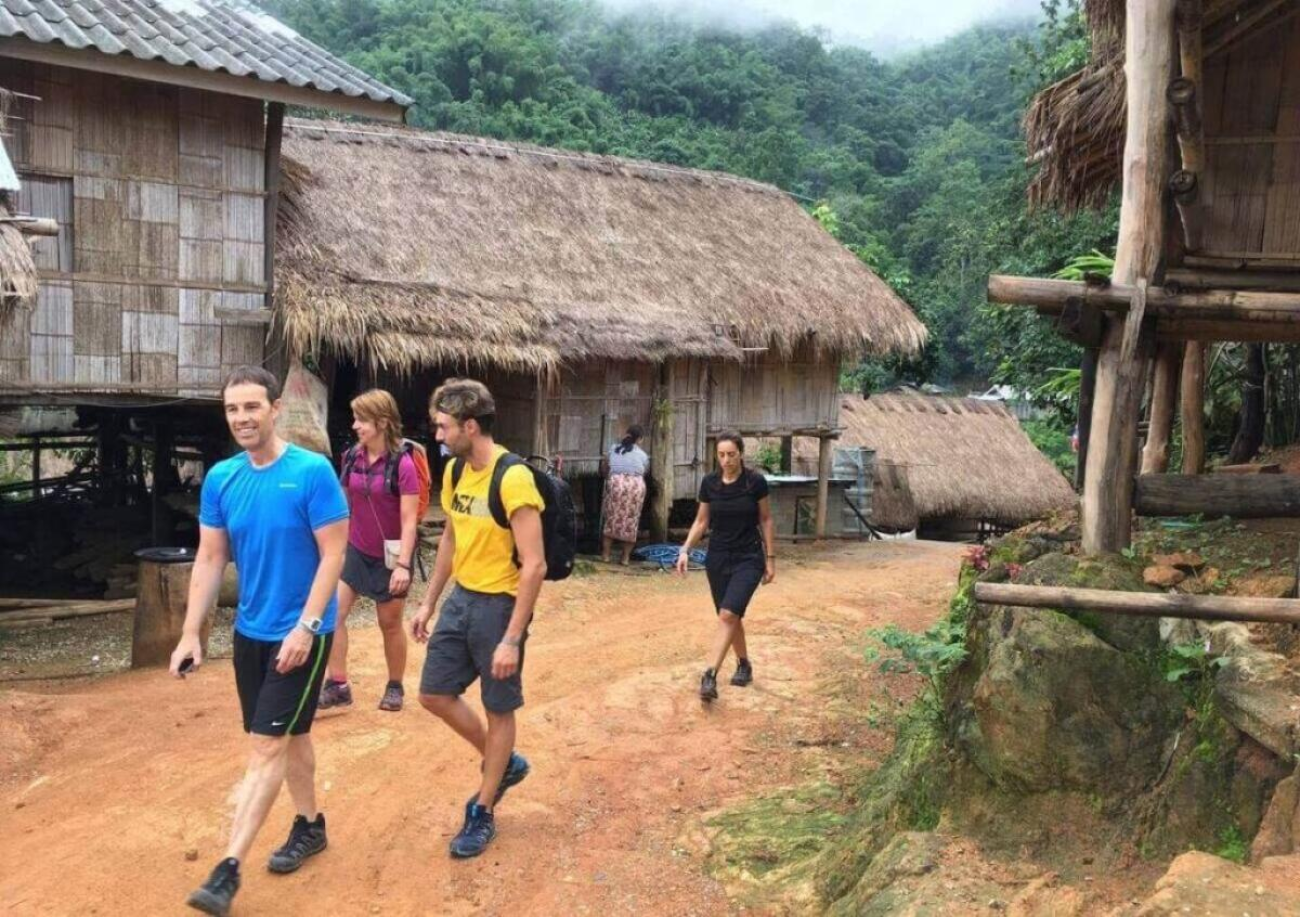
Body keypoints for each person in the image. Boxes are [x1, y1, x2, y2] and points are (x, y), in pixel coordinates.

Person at [170, 366, 349, 916]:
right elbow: (210, 557)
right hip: (250, 632)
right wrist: (190, 633)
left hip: (302, 633)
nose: (242, 418)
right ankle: (310, 825)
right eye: (232, 409)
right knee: (290, 734)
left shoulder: (312, 472)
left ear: (276, 409)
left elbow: (334, 555)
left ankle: (228, 868)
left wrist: (307, 627)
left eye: (252, 406)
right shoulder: (223, 479)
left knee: (267, 745)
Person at [410, 378, 547, 858]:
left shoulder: (513, 478)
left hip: (500, 605)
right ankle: (502, 760)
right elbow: (451, 538)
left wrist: (511, 638)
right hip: (462, 598)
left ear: (470, 426)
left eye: (443, 427)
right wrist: (429, 601)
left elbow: (535, 564)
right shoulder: (454, 472)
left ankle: (483, 809)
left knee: (498, 706)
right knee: (433, 692)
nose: (438, 436)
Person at [319, 389, 421, 713]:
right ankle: (338, 684)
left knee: (389, 623)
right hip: (356, 549)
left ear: (382, 422)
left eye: (361, 420)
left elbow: (409, 520)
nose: (355, 426)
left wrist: (403, 565)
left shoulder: (403, 464)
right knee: (332, 614)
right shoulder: (352, 457)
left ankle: (395, 685)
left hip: (391, 556)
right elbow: (342, 504)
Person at [675, 433, 775, 702]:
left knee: (728, 614)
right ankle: (744, 664)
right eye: (721, 455)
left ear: (741, 453)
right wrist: (685, 550)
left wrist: (770, 558)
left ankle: (709, 675)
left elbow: (766, 519)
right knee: (730, 615)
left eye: (731, 454)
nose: (726, 460)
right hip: (718, 558)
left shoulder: (755, 482)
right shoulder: (710, 483)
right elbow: (701, 521)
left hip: (748, 557)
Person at [599, 424, 649, 565]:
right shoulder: (643, 455)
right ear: (640, 439)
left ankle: (606, 555)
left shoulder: (613, 449)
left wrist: (609, 478)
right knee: (631, 522)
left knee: (611, 519)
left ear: (626, 434)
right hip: (635, 487)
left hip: (616, 485)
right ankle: (625, 558)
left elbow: (605, 468)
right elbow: (644, 472)